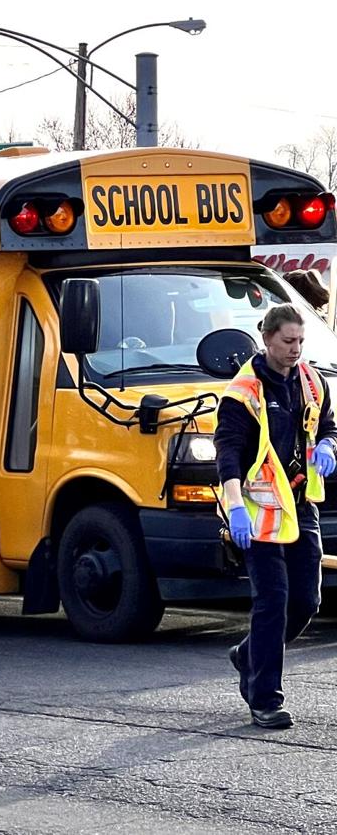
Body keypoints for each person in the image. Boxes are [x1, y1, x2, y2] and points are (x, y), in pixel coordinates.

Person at [214, 303, 337, 728]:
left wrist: (328, 446)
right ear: (266, 339)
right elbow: (227, 453)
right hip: (258, 510)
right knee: (274, 602)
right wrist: (234, 508)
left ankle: (247, 655)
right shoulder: (243, 392)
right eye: (288, 341)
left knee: (307, 601)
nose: (296, 349)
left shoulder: (311, 381)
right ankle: (264, 697)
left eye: (301, 341)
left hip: (301, 506)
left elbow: (328, 426)